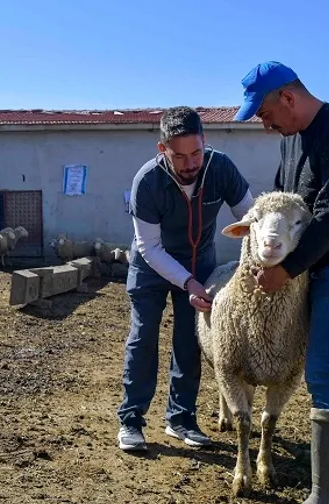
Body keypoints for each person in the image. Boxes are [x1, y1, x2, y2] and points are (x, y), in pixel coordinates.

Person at [232, 61, 329, 504]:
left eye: (264, 113)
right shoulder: (292, 142)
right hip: (308, 270)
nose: (265, 124)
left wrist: (285, 272)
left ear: (288, 98)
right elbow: (282, 201)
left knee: (322, 369)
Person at [116, 106, 255, 452]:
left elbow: (251, 219)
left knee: (190, 340)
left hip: (200, 262)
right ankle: (131, 420)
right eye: (180, 155)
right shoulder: (146, 182)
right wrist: (188, 283)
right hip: (152, 265)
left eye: (197, 152)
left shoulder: (220, 167)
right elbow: (149, 247)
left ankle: (180, 419)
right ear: (163, 150)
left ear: (205, 143)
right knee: (144, 335)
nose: (191, 163)